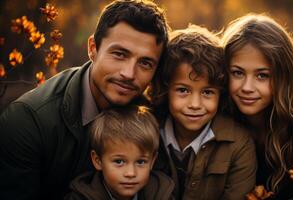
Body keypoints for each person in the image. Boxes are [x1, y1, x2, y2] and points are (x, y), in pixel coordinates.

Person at [0, 1, 169, 199]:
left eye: (145, 63)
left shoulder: (157, 114)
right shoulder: (27, 122)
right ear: (92, 49)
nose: (129, 73)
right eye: (119, 54)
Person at [221, 13, 293, 199]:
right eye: (237, 73)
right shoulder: (219, 120)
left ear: (284, 77)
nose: (247, 88)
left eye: (262, 75)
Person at [151, 25, 256, 200]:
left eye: (207, 92)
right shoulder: (147, 131)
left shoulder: (239, 145)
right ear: (165, 89)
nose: (195, 104)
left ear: (220, 94)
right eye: (183, 90)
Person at [64, 106, 174, 200]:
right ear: (98, 161)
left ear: (152, 161)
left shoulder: (162, 194)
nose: (131, 173)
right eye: (119, 161)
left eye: (141, 162)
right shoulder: (81, 197)